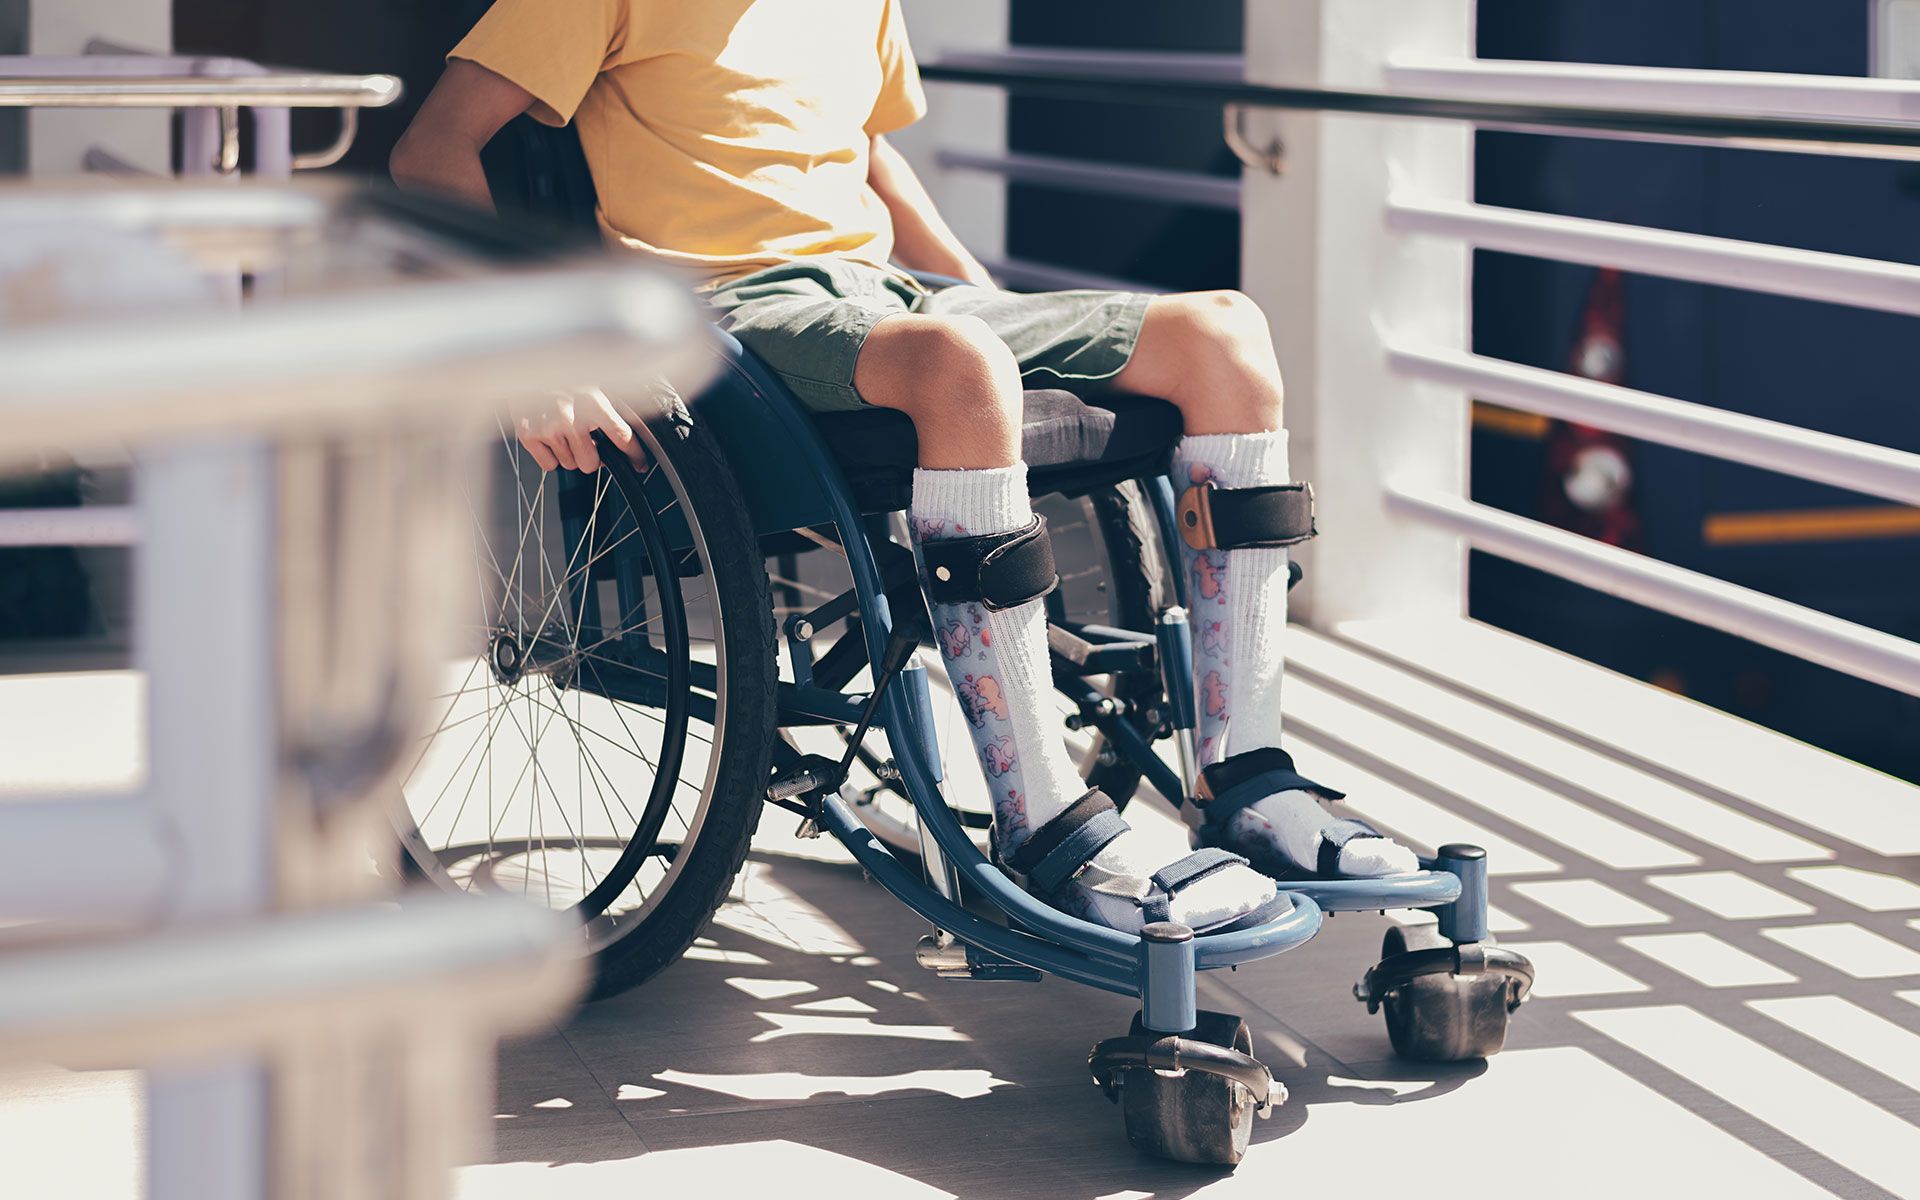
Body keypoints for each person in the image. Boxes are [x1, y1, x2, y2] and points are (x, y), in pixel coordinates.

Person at [390, 0, 1417, 936]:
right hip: (725, 315)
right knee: (961, 366)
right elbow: (432, 151)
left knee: (1228, 337)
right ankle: (1044, 827)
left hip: (884, 293)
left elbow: (874, 161)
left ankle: (1248, 780)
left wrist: (1004, 312)